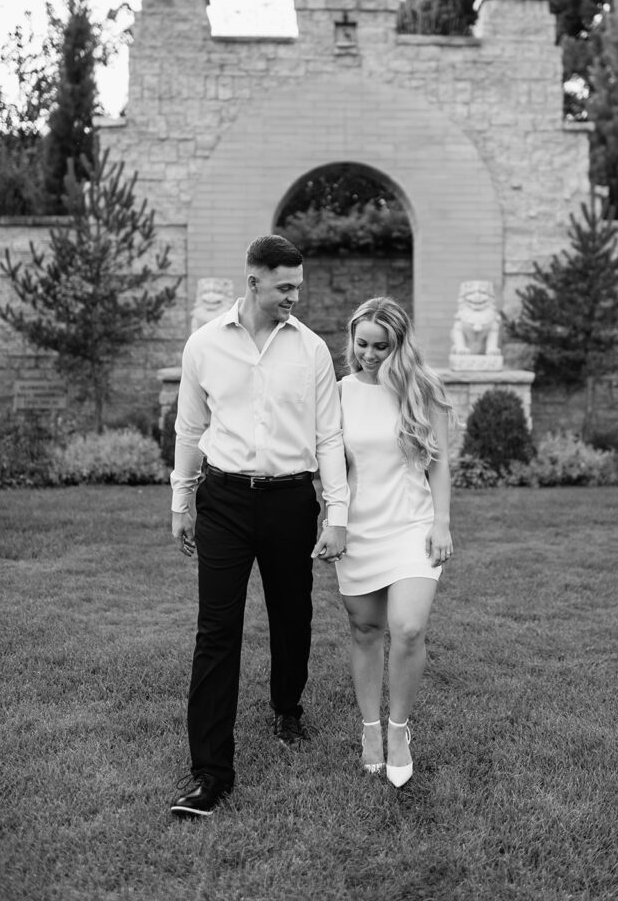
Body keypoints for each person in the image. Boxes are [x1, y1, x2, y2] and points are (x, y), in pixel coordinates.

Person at [168, 235, 347, 818]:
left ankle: (286, 709)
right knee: (216, 631)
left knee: (291, 616)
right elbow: (189, 430)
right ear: (253, 282)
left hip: (292, 500)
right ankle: (210, 772)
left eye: (299, 285)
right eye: (285, 286)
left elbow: (329, 437)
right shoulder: (204, 346)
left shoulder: (313, 350)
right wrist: (181, 502)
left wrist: (336, 513)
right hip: (222, 499)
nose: (295, 295)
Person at [331, 297, 455, 788]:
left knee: (406, 628)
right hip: (359, 528)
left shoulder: (422, 389)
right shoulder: (338, 393)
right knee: (365, 630)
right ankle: (369, 728)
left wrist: (441, 522)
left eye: (381, 346)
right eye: (361, 343)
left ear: (398, 345)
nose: (369, 354)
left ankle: (399, 730)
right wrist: (332, 521)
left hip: (412, 525)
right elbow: (329, 464)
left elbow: (439, 462)